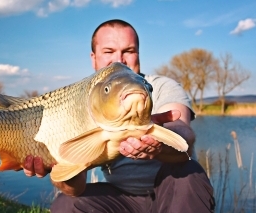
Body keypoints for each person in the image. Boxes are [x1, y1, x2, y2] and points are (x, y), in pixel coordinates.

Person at [23, 19, 215, 212]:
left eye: (129, 51)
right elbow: (76, 187)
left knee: (188, 173)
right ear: (94, 58)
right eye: (108, 51)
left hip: (171, 188)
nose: (119, 60)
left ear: (138, 55)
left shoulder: (160, 86)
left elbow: (183, 133)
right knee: (66, 204)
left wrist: (160, 142)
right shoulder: (76, 104)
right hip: (122, 198)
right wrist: (58, 168)